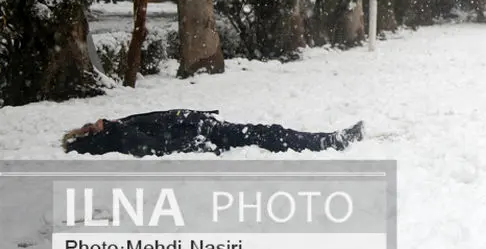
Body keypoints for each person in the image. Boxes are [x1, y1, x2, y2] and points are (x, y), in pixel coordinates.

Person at [62, 109, 364, 157]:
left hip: (205, 126)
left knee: (268, 132)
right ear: (94, 138)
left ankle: (328, 139)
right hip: (209, 133)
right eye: (90, 129)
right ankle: (329, 141)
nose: (96, 122)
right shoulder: (123, 135)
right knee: (269, 135)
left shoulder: (120, 125)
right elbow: (160, 144)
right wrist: (199, 139)